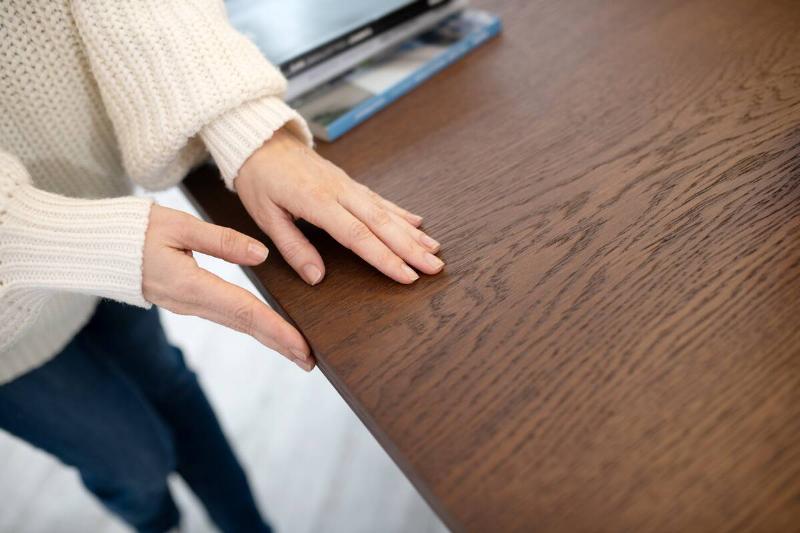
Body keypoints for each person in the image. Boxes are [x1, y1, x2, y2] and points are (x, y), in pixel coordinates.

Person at [0, 1, 445, 532]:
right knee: (133, 459)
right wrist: (45, 237)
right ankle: (155, 520)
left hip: (101, 206)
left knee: (169, 381)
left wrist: (250, 129)